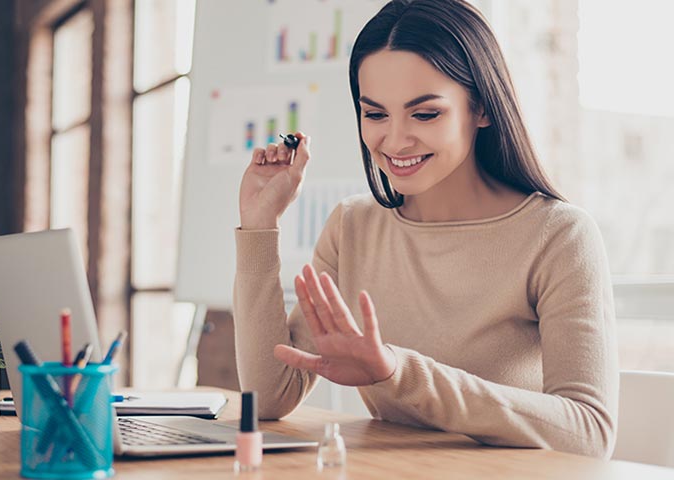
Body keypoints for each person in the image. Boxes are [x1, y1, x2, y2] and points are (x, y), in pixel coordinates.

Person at [234, 0, 617, 458]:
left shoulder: (558, 235)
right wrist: (259, 227)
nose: (394, 140)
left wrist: (398, 371)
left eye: (425, 114)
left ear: (482, 108)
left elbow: (589, 432)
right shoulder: (353, 226)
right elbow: (270, 396)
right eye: (375, 114)